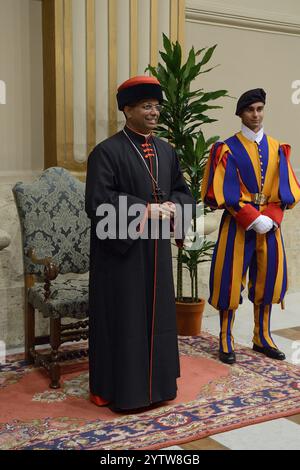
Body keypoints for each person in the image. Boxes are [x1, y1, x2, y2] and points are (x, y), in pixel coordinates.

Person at [85, 76, 194, 410]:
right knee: (125, 319)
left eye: (156, 106)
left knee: (158, 317)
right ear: (127, 109)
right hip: (121, 256)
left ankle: (159, 388)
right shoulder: (106, 152)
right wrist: (146, 210)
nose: (154, 112)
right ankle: (119, 390)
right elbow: (99, 203)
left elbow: (181, 190)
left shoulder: (166, 150)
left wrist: (175, 207)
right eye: (146, 106)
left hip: (157, 249)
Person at [201, 88, 300, 364]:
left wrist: (270, 218)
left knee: (268, 278)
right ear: (240, 114)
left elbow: (286, 190)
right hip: (236, 224)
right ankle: (225, 337)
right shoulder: (227, 149)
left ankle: (262, 336)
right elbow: (223, 189)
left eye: (259, 109)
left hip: (270, 225)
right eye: (249, 110)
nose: (255, 115)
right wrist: (251, 218)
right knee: (229, 281)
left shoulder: (278, 147)